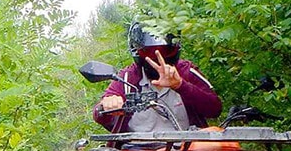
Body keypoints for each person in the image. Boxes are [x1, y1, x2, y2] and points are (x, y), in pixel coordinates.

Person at [92, 22, 222, 132]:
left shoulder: (186, 71)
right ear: (137, 51)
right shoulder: (127, 78)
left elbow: (214, 109)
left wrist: (181, 86)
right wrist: (107, 106)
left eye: (165, 51)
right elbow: (100, 115)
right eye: (149, 52)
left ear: (175, 49)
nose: (157, 58)